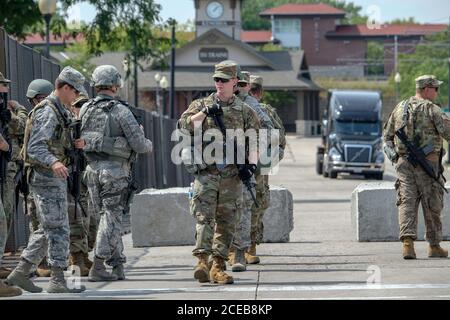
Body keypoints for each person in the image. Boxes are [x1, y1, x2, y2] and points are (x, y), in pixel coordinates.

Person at [6, 66, 87, 293]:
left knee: (47, 228)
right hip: (45, 176)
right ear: (65, 87)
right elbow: (35, 147)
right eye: (75, 92)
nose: (76, 97)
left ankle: (20, 273)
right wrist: (54, 162)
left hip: (52, 177)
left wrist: (76, 145)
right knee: (59, 228)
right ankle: (58, 280)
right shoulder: (48, 111)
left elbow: (55, 142)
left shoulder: (59, 109)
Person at [178, 60, 260, 284]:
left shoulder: (245, 111)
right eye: (216, 79)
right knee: (204, 218)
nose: (219, 83)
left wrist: (250, 167)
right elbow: (183, 126)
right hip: (207, 172)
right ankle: (202, 262)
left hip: (232, 175)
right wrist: (204, 113)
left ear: (235, 82)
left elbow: (254, 143)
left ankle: (218, 266)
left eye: (224, 80)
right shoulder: (201, 104)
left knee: (227, 221)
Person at [78, 65, 152, 282]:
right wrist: (147, 142)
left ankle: (117, 264)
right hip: (115, 171)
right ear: (114, 85)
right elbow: (139, 145)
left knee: (106, 219)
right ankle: (98, 265)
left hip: (91, 171)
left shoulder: (85, 109)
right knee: (111, 218)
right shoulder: (121, 111)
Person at [383, 75, 449, 260]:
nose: (437, 92)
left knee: (407, 201)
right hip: (428, 164)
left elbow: (386, 138)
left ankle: (408, 245)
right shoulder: (433, 110)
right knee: (432, 203)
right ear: (427, 89)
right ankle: (434, 246)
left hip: (404, 164)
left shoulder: (399, 108)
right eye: (436, 89)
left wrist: (395, 157)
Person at [247, 75, 286, 264]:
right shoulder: (267, 112)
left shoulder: (231, 106)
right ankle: (250, 247)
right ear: (260, 93)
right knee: (256, 204)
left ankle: (233, 248)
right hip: (259, 169)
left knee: (236, 205)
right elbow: (281, 142)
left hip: (238, 166)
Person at [22, 79, 55, 278]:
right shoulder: (33, 117)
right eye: (40, 98)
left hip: (50, 174)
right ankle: (37, 263)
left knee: (50, 221)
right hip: (35, 174)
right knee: (37, 221)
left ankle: (45, 260)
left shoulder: (51, 115)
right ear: (33, 99)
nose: (44, 101)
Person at [67, 94, 96, 276]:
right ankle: (76, 259)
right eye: (78, 105)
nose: (81, 108)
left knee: (91, 221)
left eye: (85, 105)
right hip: (72, 177)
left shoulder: (92, 126)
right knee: (77, 218)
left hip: (88, 178)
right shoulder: (69, 124)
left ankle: (84, 254)